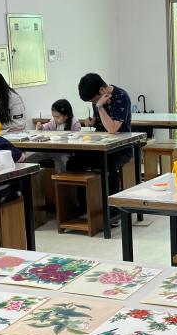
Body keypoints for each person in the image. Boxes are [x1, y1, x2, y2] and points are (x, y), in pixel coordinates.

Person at [67, 73, 133, 224]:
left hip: (121, 147)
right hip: (100, 146)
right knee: (73, 163)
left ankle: (114, 210)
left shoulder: (121, 97)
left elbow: (112, 128)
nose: (93, 102)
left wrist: (100, 106)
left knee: (108, 165)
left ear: (102, 90)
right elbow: (101, 122)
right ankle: (84, 206)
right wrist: (92, 121)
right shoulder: (98, 99)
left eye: (93, 100)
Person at [29, 99, 80, 173]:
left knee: (60, 160)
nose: (55, 119)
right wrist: (40, 127)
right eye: (54, 116)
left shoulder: (75, 123)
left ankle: (62, 179)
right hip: (51, 150)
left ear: (66, 115)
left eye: (57, 117)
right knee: (30, 160)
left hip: (65, 152)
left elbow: (76, 140)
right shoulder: (53, 122)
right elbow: (45, 127)